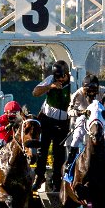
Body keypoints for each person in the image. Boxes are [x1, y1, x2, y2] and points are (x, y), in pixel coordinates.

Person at [32, 61, 73, 190]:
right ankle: (39, 177)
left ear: (66, 74)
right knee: (42, 150)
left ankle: (56, 181)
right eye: (57, 77)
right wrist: (50, 86)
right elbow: (35, 92)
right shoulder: (51, 79)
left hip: (63, 123)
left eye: (62, 77)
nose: (60, 79)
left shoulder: (73, 82)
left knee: (58, 153)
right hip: (47, 119)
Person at [64, 74, 105, 174]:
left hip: (99, 117)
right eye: (88, 90)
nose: (91, 93)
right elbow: (69, 110)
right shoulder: (78, 94)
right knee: (77, 136)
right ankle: (70, 162)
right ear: (83, 88)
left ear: (98, 88)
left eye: (94, 90)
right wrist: (80, 112)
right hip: (84, 115)